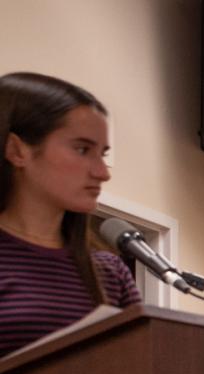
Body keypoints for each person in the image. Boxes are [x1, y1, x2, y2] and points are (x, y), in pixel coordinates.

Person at [0, 72, 140, 355]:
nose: (102, 173)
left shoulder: (110, 272)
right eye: (82, 149)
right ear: (17, 151)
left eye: (102, 153)